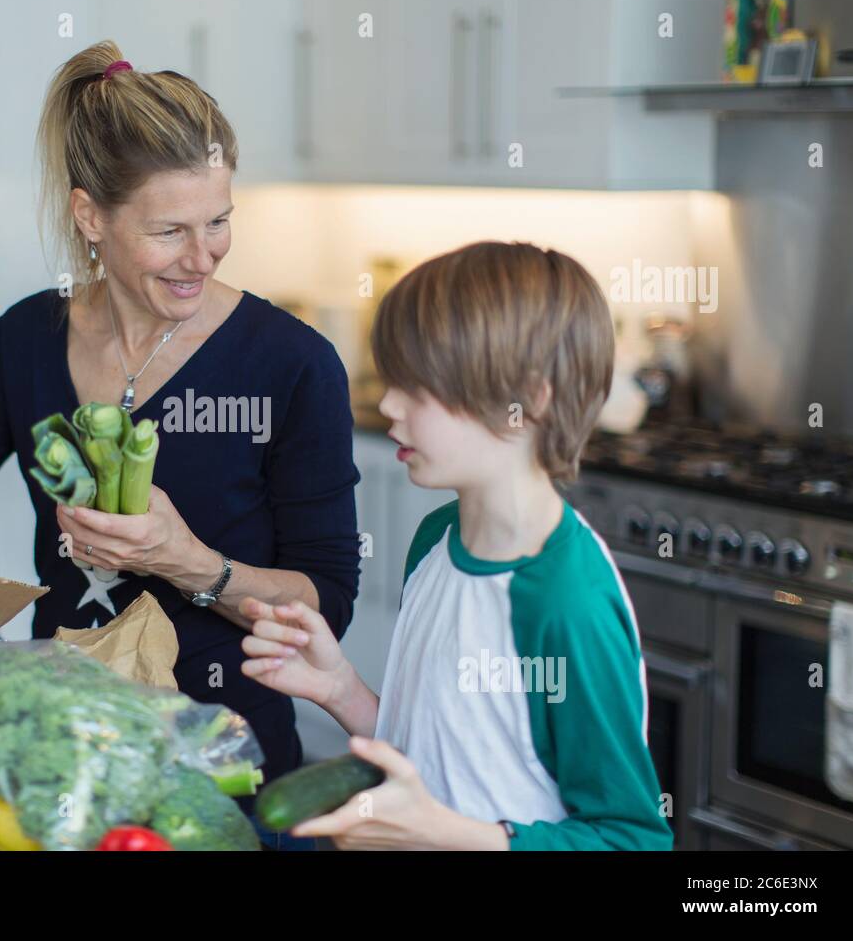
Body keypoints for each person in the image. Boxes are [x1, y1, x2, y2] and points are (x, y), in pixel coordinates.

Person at [0, 42, 361, 844]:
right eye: (169, 231)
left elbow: (327, 601)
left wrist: (184, 559)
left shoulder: (292, 364)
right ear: (92, 217)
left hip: (228, 774)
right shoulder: (25, 339)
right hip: (61, 761)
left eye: (219, 222)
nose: (203, 256)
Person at [241, 242, 673, 850]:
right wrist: (339, 686)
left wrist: (457, 837)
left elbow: (632, 838)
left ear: (531, 399)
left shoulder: (563, 599)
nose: (389, 404)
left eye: (420, 387)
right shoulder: (435, 540)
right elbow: (442, 751)